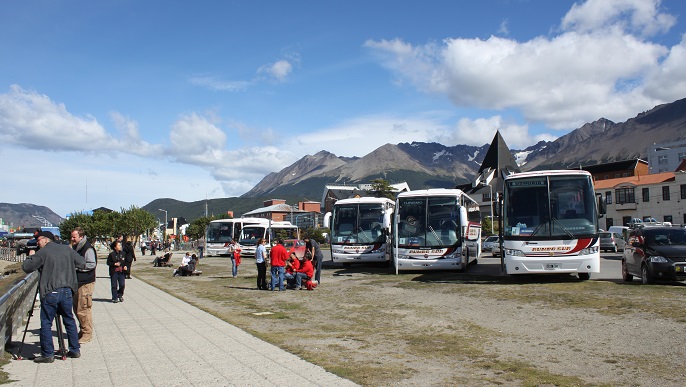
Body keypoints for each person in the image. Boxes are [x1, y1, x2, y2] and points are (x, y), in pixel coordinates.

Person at [22, 231, 86, 363]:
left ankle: (48, 354)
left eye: (38, 240)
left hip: (51, 291)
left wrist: (30, 256)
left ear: (46, 240)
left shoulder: (43, 252)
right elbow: (82, 263)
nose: (37, 243)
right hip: (67, 290)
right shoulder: (66, 249)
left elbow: (27, 267)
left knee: (46, 322)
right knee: (69, 320)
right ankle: (74, 349)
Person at [70, 227, 97, 344]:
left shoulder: (87, 248)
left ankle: (87, 333)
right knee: (76, 308)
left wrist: (78, 267)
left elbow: (91, 264)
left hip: (86, 282)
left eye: (74, 237)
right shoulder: (76, 247)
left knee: (84, 308)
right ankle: (82, 329)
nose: (72, 239)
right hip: (77, 282)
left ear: (81, 237)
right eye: (71, 236)